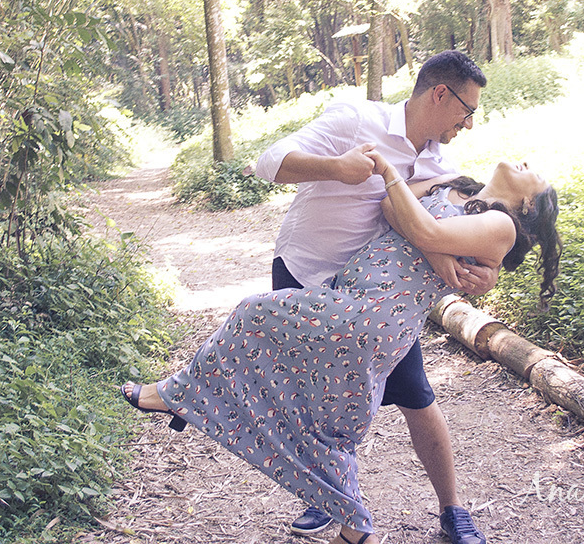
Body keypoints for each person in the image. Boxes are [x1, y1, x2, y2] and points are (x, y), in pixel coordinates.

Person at [122, 153, 561, 544]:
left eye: (536, 173)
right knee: (334, 425)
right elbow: (392, 208)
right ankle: (355, 526)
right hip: (355, 297)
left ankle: (179, 395)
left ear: (528, 206)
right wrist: (435, 250)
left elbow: (421, 224)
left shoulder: (500, 224)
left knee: (255, 313)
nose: (526, 159)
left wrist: (395, 182)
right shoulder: (453, 186)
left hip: (373, 315)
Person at [253, 50, 494, 543]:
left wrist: (459, 266)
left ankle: (453, 511)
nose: (468, 124)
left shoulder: (440, 161)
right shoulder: (357, 119)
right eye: (467, 110)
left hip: (374, 295)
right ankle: (324, 499)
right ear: (440, 94)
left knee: (417, 395)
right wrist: (336, 168)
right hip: (305, 270)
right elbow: (267, 163)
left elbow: (411, 218)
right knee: (314, 399)